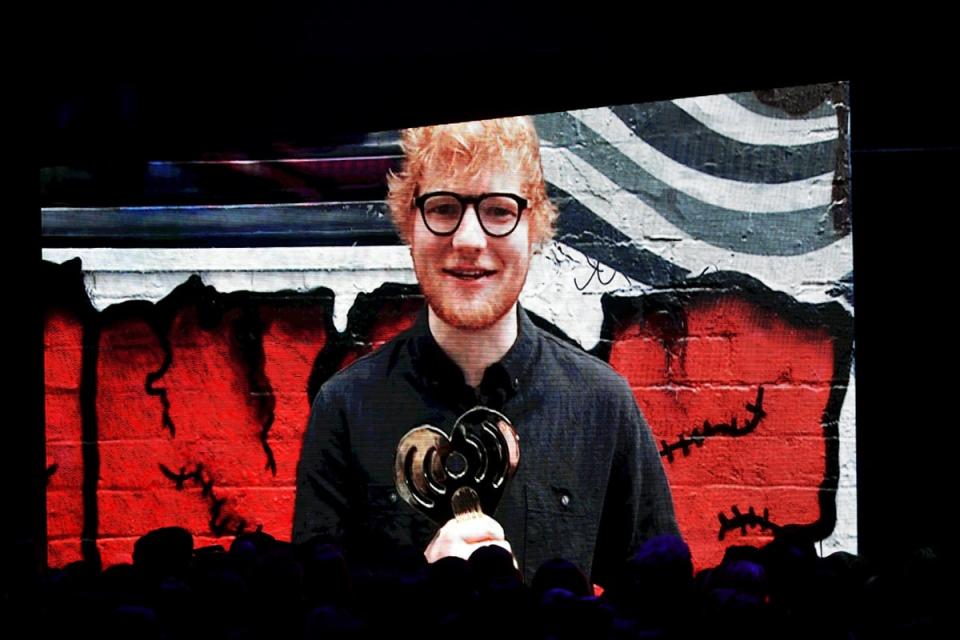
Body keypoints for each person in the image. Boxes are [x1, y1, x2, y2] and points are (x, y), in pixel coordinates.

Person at [292, 116, 679, 586]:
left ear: (533, 225)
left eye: (498, 210)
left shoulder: (603, 405)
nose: (470, 240)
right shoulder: (345, 408)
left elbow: (662, 604)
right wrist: (421, 578)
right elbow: (313, 614)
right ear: (409, 224)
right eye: (443, 208)